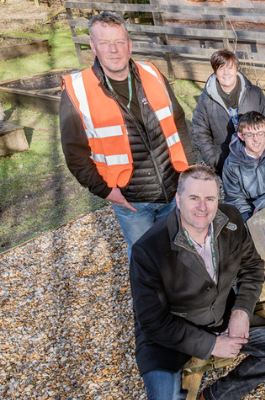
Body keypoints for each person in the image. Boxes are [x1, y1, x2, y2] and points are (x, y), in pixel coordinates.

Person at [129, 165, 265, 400]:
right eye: (194, 198)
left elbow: (252, 266)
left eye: (210, 198)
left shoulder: (232, 220)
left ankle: (214, 396)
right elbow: (153, 323)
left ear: (218, 199)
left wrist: (241, 311)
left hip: (221, 317)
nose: (202, 207)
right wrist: (212, 345)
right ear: (178, 199)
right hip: (169, 337)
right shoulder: (147, 250)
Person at [60, 11, 195, 258]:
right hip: (132, 201)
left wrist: (187, 176)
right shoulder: (78, 90)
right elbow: (74, 155)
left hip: (173, 189)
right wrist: (106, 191)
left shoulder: (151, 73)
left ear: (129, 45)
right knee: (145, 260)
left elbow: (178, 123)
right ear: (93, 46)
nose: (114, 49)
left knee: (180, 253)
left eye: (119, 41)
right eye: (105, 43)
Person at [192, 49, 265, 174]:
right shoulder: (205, 100)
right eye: (221, 68)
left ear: (237, 69)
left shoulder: (254, 92)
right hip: (226, 163)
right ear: (215, 71)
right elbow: (200, 133)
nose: (226, 73)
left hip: (257, 159)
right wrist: (215, 161)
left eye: (230, 68)